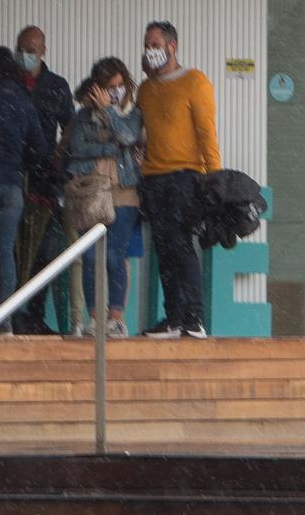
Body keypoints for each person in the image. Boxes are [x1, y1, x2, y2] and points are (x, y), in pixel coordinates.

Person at [137, 21, 219, 338]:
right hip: (153, 179)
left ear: (172, 46)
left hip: (186, 177)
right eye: (147, 44)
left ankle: (193, 318)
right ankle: (173, 318)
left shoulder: (195, 81)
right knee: (163, 249)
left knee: (182, 246)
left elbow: (206, 131)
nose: (150, 50)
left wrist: (214, 177)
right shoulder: (146, 89)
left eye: (155, 44)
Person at [63, 58, 144, 337]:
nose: (116, 92)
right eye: (110, 87)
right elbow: (77, 147)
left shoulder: (133, 113)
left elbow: (128, 137)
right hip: (91, 191)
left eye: (120, 86)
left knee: (114, 255)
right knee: (90, 256)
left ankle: (116, 318)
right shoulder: (83, 116)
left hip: (124, 191)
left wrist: (109, 114)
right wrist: (108, 147)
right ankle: (95, 318)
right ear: (97, 88)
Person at [0, 46, 51, 324]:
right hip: (14, 184)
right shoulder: (23, 100)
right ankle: (4, 320)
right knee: (5, 253)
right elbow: (40, 149)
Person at [11, 25, 74, 330]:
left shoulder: (57, 86)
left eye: (31, 50)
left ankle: (35, 315)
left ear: (43, 52)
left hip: (44, 180)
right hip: (9, 176)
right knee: (9, 250)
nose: (25, 55)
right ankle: (7, 317)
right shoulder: (6, 81)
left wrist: (58, 158)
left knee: (43, 251)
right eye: (21, 49)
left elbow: (71, 127)